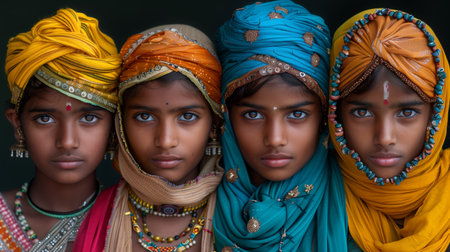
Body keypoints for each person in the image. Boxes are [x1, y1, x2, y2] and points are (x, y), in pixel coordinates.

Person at [73, 24, 224, 252]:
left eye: (187, 116)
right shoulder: (90, 217)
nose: (165, 140)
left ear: (214, 124)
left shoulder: (245, 218)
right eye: (144, 116)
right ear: (121, 124)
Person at [212, 0, 347, 251]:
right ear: (227, 117)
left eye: (297, 115)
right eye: (253, 115)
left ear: (323, 116)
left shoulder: (357, 205)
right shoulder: (192, 206)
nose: (275, 139)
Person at [328, 8, 450, 251]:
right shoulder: (307, 200)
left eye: (407, 112)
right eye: (362, 112)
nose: (384, 138)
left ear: (436, 113)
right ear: (335, 113)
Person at [0, 8, 121, 251]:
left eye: (88, 118)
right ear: (17, 123)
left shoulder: (130, 222)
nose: (67, 142)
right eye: (45, 119)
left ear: (113, 126)